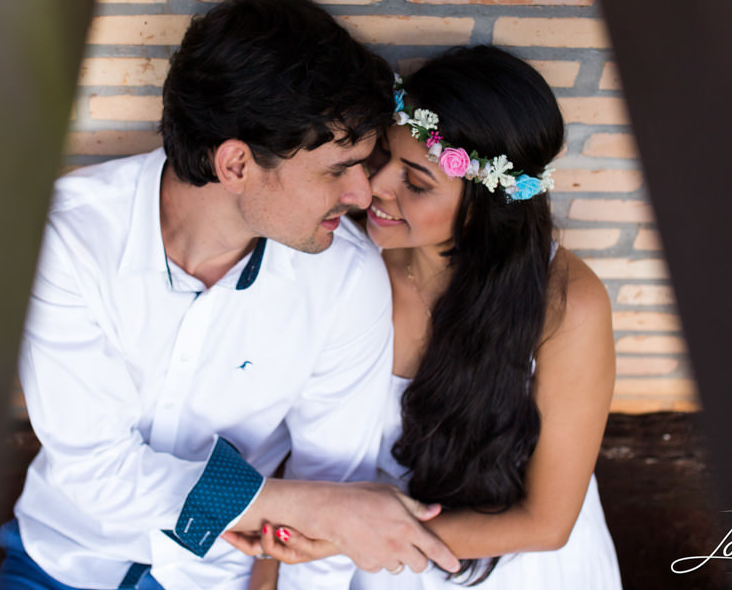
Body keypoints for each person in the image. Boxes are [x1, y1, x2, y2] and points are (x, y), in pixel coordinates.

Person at [0, 0, 459, 590]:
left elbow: (335, 503)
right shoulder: (70, 239)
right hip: (60, 560)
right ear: (236, 166)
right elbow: (95, 472)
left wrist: (313, 512)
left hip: (210, 576)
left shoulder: (345, 277)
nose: (363, 196)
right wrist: (303, 506)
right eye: (338, 169)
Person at [237, 46, 622, 588]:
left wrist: (347, 537)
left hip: (503, 553)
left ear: (485, 205)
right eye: (381, 158)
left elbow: (546, 524)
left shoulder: (566, 306)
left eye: (416, 183)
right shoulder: (343, 259)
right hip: (363, 541)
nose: (374, 188)